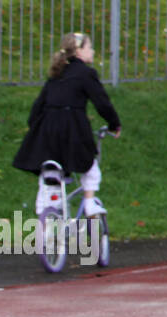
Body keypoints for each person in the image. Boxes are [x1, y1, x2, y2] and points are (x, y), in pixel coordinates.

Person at [12, 32, 122, 216]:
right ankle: (89, 204)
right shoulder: (86, 74)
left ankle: (44, 215)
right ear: (79, 51)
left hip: (46, 130)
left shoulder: (56, 73)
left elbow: (37, 107)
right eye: (89, 47)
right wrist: (114, 124)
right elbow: (102, 103)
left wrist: (37, 130)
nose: (93, 51)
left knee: (49, 171)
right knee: (90, 168)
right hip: (72, 128)